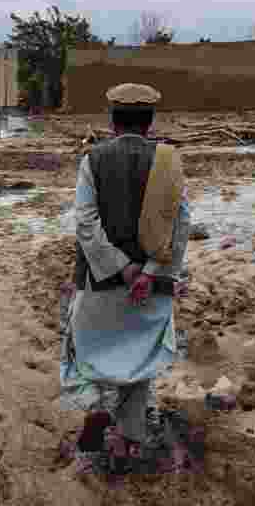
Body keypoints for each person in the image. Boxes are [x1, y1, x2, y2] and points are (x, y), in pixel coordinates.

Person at [60, 83, 191, 476]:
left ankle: (98, 409)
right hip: (152, 288)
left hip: (100, 283)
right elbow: (181, 225)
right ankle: (131, 441)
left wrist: (121, 267)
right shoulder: (170, 160)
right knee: (141, 360)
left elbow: (85, 223)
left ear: (113, 121)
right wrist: (149, 273)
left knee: (80, 352)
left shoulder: (93, 160)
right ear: (150, 122)